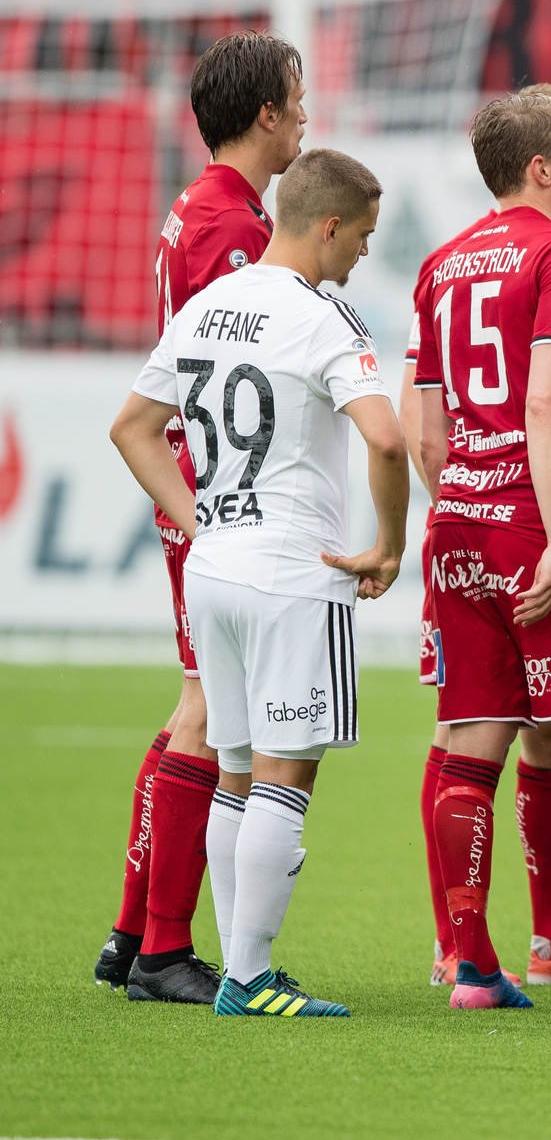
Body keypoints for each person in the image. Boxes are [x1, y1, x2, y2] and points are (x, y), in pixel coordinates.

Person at [109, 148, 402, 1018]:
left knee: (235, 768)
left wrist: (197, 519)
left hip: (215, 569)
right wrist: (387, 545)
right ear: (329, 227)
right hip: (290, 572)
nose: (361, 256)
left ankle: (240, 971)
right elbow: (386, 440)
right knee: (284, 774)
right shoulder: (324, 317)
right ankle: (249, 976)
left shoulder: (208, 303)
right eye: (362, 239)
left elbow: (132, 428)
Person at [413, 93, 551, 1012]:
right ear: (538, 170)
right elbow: (547, 402)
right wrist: (550, 533)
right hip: (540, 519)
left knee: (471, 744)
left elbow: (426, 432)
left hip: (458, 521)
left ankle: (472, 965)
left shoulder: (440, 263)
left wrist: (462, 507)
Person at [95, 30, 307, 1005]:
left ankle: (135, 926)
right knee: (211, 710)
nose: (305, 115)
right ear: (266, 112)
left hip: (196, 480)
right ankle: (165, 948)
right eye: (297, 100)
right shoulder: (234, 228)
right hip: (217, 486)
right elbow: (235, 369)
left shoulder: (206, 204)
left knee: (196, 698)